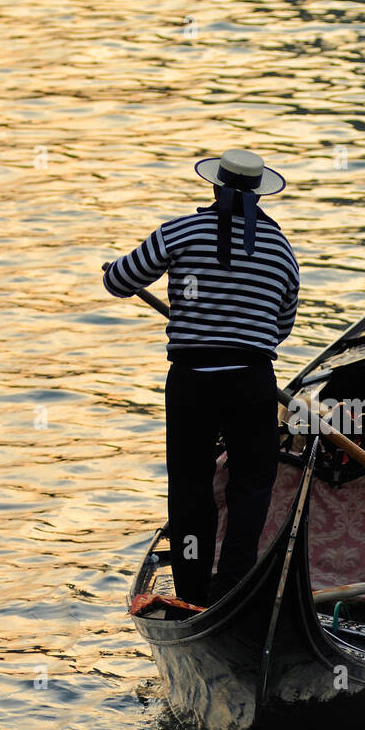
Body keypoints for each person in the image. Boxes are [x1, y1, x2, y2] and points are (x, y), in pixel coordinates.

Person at [103, 149, 298, 607]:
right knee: (251, 485)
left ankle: (192, 593)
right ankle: (232, 585)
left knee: (190, 485)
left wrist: (115, 271)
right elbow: (280, 325)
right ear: (259, 193)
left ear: (214, 186)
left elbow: (121, 281)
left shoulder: (180, 231)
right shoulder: (279, 247)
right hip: (252, 381)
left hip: (192, 380)